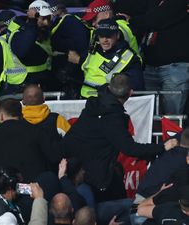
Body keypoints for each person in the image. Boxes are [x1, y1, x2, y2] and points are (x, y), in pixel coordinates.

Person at [62, 73, 178, 202]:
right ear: (130, 93)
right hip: (94, 177)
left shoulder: (94, 104)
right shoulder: (112, 117)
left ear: (109, 88)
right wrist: (162, 146)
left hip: (76, 168)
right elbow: (130, 148)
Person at [0, 98, 63, 182]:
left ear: (1, 116)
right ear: (22, 115)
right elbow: (54, 156)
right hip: (31, 191)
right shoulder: (37, 131)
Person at [119, 0, 189, 114]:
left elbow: (157, 19)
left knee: (172, 118)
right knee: (149, 115)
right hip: (150, 67)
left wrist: (131, 20)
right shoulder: (153, 3)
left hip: (174, 68)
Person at [68, 18, 144, 98]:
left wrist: (113, 89)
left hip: (109, 103)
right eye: (101, 36)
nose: (105, 40)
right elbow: (85, 69)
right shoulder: (93, 50)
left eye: (109, 36)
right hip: (85, 101)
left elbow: (136, 86)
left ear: (117, 35)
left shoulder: (129, 57)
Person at [0, 0, 58, 95]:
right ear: (32, 18)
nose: (46, 23)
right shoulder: (18, 32)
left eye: (48, 19)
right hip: (19, 89)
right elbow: (22, 51)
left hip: (41, 85)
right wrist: (32, 23)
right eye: (43, 18)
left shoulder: (44, 32)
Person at [47, 0, 91, 98]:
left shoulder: (69, 21)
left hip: (70, 70)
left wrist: (59, 46)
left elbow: (80, 43)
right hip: (67, 69)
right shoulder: (66, 21)